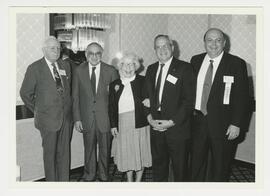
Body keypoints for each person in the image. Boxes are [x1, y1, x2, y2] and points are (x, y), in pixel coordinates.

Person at [190, 28, 249, 182]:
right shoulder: (195, 60)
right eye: (209, 40)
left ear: (224, 43)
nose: (213, 44)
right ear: (204, 43)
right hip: (197, 122)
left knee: (220, 167)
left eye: (218, 40)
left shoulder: (236, 63)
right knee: (195, 164)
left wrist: (236, 123)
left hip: (223, 124)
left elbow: (242, 98)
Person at [20, 36, 73, 181]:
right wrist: (39, 111)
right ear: (44, 50)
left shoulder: (65, 66)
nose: (56, 51)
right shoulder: (35, 68)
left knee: (64, 154)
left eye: (58, 48)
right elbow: (25, 93)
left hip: (66, 119)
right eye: (52, 48)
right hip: (47, 121)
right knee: (50, 156)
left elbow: (68, 91)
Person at [143, 34, 195, 182]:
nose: (162, 49)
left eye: (165, 45)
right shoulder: (151, 69)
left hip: (177, 128)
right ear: (154, 50)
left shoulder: (185, 68)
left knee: (180, 170)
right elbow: (145, 97)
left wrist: (171, 122)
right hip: (155, 127)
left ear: (172, 47)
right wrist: (150, 119)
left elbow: (189, 101)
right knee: (158, 168)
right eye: (158, 47)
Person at [72, 42, 119, 182]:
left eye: (97, 53)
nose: (94, 56)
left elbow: (115, 100)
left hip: (105, 118)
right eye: (91, 53)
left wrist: (114, 122)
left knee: (105, 150)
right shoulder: (78, 71)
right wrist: (77, 118)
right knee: (89, 149)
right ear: (86, 55)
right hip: (86, 118)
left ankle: (104, 175)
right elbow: (75, 97)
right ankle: (89, 174)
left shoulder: (111, 71)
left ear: (101, 54)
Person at [109, 53, 152, 182]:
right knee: (127, 154)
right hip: (122, 124)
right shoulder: (114, 84)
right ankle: (129, 181)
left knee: (139, 154)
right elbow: (111, 107)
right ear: (120, 67)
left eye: (131, 64)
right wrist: (113, 125)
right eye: (125, 64)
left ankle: (138, 182)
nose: (128, 67)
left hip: (140, 123)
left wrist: (150, 100)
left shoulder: (143, 81)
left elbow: (152, 97)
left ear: (136, 66)